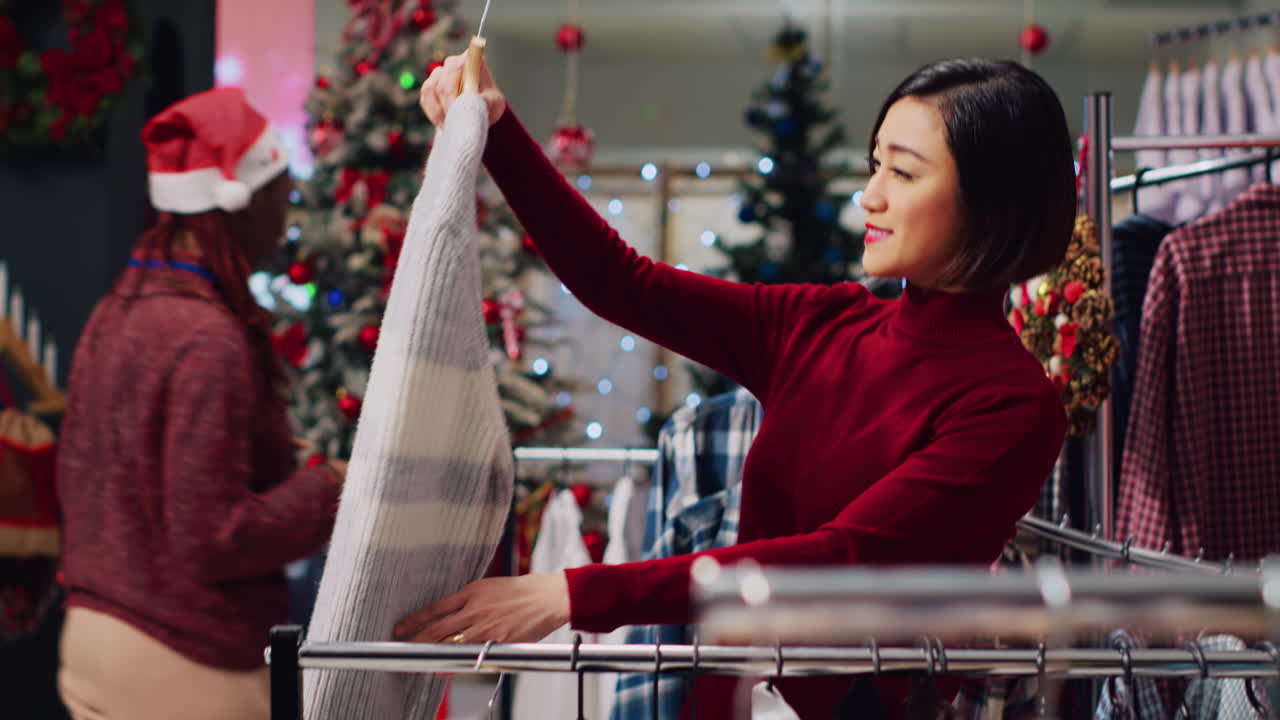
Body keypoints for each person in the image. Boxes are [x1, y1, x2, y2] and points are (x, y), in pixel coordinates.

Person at [399, 55, 1074, 718]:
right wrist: (499, 127)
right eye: (875, 165)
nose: (870, 195)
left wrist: (570, 595)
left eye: (902, 171)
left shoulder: (1013, 404)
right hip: (728, 696)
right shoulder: (826, 322)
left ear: (992, 206)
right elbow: (621, 281)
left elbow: (842, 558)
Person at [55, 88, 345, 720]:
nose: (287, 213)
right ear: (240, 204)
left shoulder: (116, 312)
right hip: (184, 659)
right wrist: (331, 489)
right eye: (281, 192)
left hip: (93, 636)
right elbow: (214, 536)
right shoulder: (209, 339)